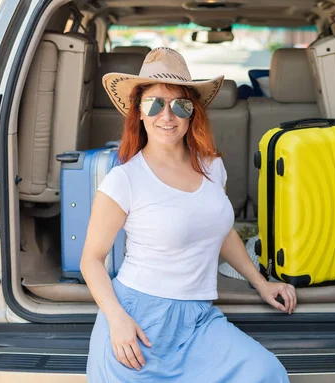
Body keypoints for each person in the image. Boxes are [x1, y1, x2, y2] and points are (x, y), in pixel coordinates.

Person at [81, 47, 295, 382]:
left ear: (192, 113)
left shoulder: (213, 167)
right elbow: (91, 260)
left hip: (197, 319)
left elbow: (219, 229)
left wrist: (261, 283)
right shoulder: (123, 179)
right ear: (138, 111)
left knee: (266, 373)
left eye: (179, 105)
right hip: (138, 320)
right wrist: (116, 319)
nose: (166, 116)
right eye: (154, 103)